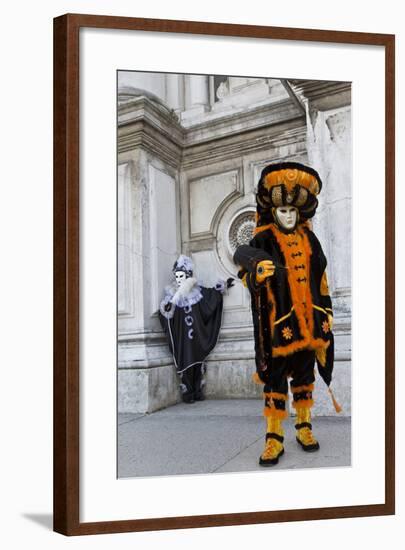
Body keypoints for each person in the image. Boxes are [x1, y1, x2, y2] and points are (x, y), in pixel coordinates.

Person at [233, 161, 339, 466]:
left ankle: (304, 427)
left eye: (293, 211)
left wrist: (327, 312)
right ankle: (274, 438)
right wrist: (257, 275)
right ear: (274, 211)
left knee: (305, 378)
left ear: (300, 212)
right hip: (278, 326)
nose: (289, 216)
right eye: (283, 211)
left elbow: (322, 280)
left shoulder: (311, 239)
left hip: (309, 326)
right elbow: (244, 269)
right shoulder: (262, 240)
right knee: (275, 381)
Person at [159, 255, 234, 403]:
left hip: (197, 335)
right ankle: (188, 393)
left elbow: (210, 297)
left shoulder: (197, 292)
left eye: (182, 276)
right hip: (182, 337)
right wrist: (169, 305)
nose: (179, 279)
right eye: (176, 276)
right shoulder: (172, 295)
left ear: (188, 275)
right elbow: (165, 313)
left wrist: (222, 287)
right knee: (185, 361)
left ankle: (197, 391)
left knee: (197, 362)